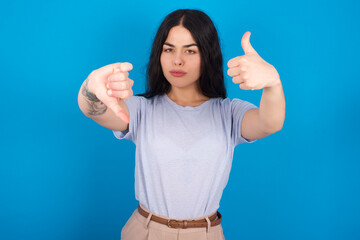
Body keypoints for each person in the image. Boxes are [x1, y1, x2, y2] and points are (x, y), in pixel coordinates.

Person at [78, 9, 285, 240]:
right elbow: (94, 110)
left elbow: (270, 123)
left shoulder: (229, 113)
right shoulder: (141, 109)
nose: (177, 60)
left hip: (206, 233)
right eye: (169, 49)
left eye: (190, 50)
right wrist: (91, 88)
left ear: (207, 55)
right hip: (146, 231)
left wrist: (273, 83)